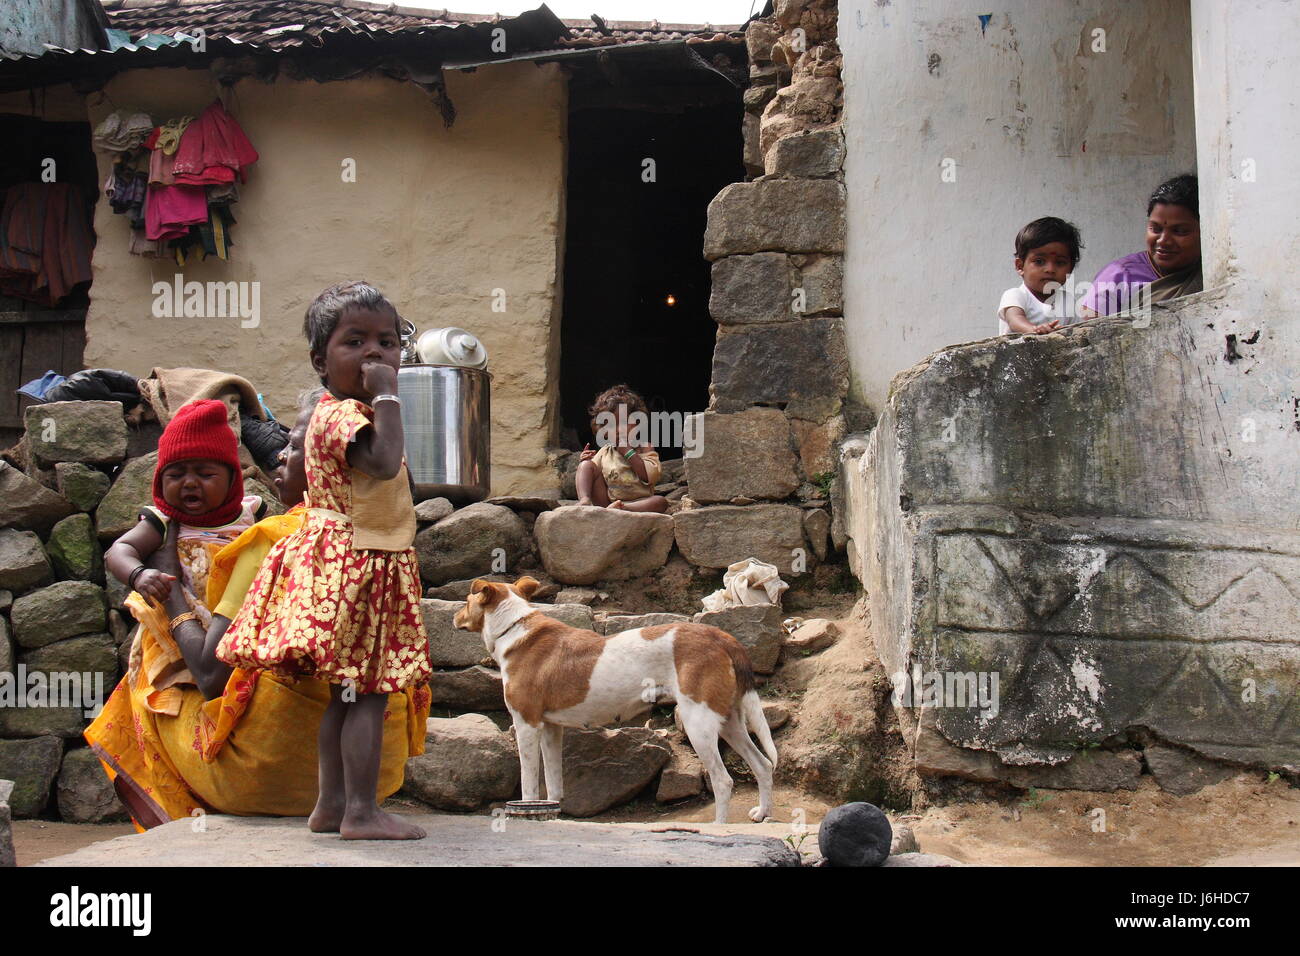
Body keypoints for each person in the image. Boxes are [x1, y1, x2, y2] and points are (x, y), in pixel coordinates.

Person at [86, 390, 427, 829]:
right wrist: (140, 577)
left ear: (233, 479)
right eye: (176, 475)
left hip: (225, 676)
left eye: (205, 473)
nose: (189, 485)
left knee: (347, 697)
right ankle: (345, 806)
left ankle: (343, 807)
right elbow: (120, 552)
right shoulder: (164, 522)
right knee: (351, 694)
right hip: (186, 637)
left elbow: (212, 675)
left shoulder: (265, 527)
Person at [217, 280, 431, 840]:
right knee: (369, 689)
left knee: (348, 691)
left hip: (352, 557)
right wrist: (388, 395)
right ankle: (360, 811)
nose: (375, 354)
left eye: (387, 342)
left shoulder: (341, 412)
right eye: (355, 342)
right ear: (320, 359)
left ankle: (331, 806)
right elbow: (384, 465)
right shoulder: (343, 415)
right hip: (358, 564)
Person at [1081, 173, 1202, 318]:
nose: (1163, 240)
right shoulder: (1118, 278)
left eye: (1179, 231)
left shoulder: (1213, 273)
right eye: (1155, 229)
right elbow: (1089, 334)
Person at [576, 384, 668, 513]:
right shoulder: (605, 452)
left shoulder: (643, 447)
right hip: (607, 502)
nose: (619, 430)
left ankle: (623, 508)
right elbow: (592, 474)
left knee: (660, 502)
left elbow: (650, 477)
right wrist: (585, 461)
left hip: (639, 502)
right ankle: (584, 501)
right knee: (586, 466)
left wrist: (628, 452)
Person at [997, 217, 1083, 335]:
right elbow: (1014, 320)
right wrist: (1034, 330)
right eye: (1039, 261)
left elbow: (1078, 332)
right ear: (1020, 266)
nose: (1050, 269)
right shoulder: (1016, 295)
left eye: (1060, 263)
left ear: (1071, 269)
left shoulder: (1067, 302)